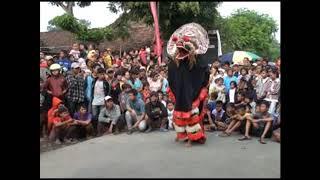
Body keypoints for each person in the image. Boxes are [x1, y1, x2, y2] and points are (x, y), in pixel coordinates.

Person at [91, 67, 111, 135]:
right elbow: (92, 91)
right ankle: (95, 131)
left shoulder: (105, 83)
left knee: (101, 117)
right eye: (101, 74)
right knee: (94, 117)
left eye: (103, 74)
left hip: (102, 102)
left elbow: (108, 93)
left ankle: (100, 131)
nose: (102, 76)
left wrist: (106, 101)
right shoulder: (94, 81)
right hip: (94, 102)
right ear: (98, 74)